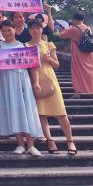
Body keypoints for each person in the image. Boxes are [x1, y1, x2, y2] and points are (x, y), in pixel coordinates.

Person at [27, 19, 77, 155]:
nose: (35, 30)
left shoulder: (49, 44)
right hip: (35, 80)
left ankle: (70, 140)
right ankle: (49, 140)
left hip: (50, 78)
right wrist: (35, 82)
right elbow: (30, 67)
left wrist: (48, 59)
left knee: (61, 112)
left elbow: (56, 65)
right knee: (42, 113)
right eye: (32, 28)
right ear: (29, 30)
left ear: (42, 29)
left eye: (38, 27)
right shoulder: (25, 46)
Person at [0, 20, 43, 157]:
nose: (6, 33)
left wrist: (36, 83)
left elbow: (33, 67)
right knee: (13, 109)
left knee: (27, 109)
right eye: (4, 31)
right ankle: (20, 144)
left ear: (14, 30)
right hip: (6, 80)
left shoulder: (23, 46)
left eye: (9, 30)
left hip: (22, 79)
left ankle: (31, 144)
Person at [58, 13, 93, 99]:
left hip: (78, 54)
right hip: (89, 54)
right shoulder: (88, 28)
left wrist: (66, 28)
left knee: (77, 73)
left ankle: (77, 93)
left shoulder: (72, 29)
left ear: (74, 19)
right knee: (91, 74)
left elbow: (61, 36)